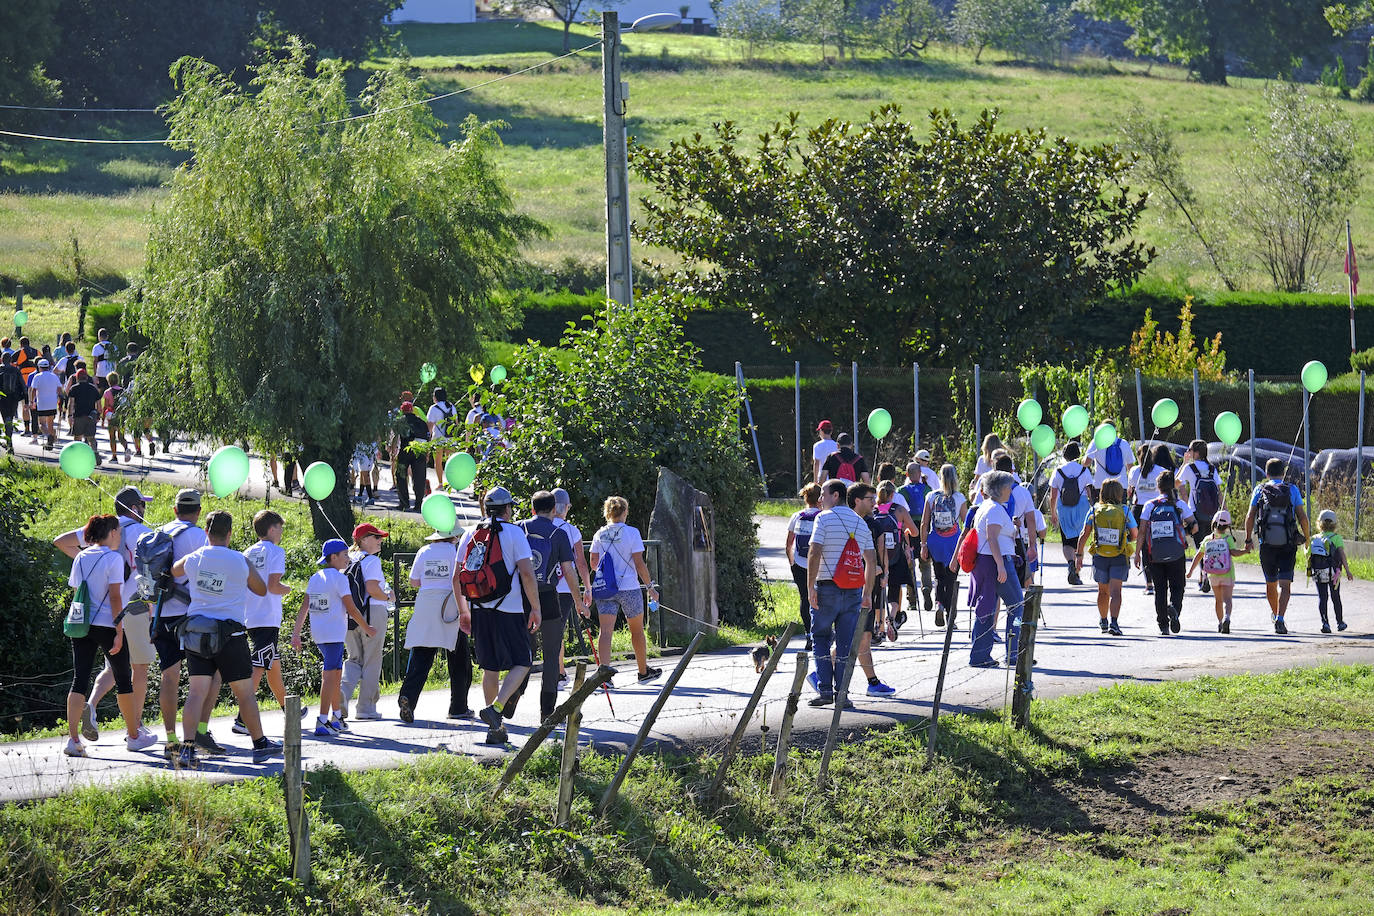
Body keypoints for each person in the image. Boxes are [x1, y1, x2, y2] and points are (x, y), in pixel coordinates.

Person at [170, 510, 281, 768]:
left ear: (206, 533)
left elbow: (175, 571)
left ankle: (187, 748)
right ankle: (260, 744)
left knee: (196, 692)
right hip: (230, 634)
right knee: (244, 693)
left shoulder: (195, 557)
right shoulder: (239, 560)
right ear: (230, 534)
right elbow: (261, 589)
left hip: (197, 634)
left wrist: (195, 556)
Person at [54, 487, 158, 747]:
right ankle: (134, 734)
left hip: (82, 623)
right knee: (126, 677)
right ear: (112, 533)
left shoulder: (82, 558)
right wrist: (119, 629)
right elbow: (115, 596)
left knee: (80, 678)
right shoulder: (114, 557)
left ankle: (73, 739)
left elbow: (79, 586)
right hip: (111, 621)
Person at [455, 486, 543, 745]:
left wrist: (464, 610)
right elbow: (527, 573)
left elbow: (456, 576)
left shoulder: (471, 533)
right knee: (523, 661)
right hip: (509, 608)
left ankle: (495, 729)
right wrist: (536, 607)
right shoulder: (515, 533)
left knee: (490, 667)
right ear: (507, 509)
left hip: (479, 609)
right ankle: (496, 709)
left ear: (485, 509)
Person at [291, 539, 374, 737]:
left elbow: (304, 607)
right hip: (334, 634)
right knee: (329, 676)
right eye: (345, 555)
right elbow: (352, 608)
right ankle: (321, 720)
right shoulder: (340, 579)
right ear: (333, 557)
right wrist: (367, 628)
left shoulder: (315, 577)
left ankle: (336, 717)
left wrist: (296, 633)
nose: (348, 558)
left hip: (320, 634)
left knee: (336, 674)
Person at [151, 489, 211, 758]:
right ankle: (197, 733)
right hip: (191, 615)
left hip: (161, 614)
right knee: (203, 678)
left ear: (175, 510)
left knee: (169, 677)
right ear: (198, 511)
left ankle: (171, 739)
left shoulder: (160, 532)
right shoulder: (200, 536)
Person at [513, 490, 582, 724]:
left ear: (532, 508)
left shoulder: (518, 528)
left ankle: (515, 693)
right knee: (552, 654)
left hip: (520, 597)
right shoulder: (559, 533)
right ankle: (547, 711)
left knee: (524, 650)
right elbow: (569, 571)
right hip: (548, 596)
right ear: (555, 510)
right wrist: (579, 600)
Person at [805, 479, 876, 707]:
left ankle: (825, 690)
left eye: (823, 494)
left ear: (835, 495)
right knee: (845, 643)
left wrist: (810, 587)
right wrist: (868, 592)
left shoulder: (822, 518)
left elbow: (814, 551)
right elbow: (871, 561)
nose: (819, 499)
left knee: (821, 637)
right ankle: (842, 694)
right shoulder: (860, 522)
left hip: (827, 588)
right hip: (853, 591)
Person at [398, 528, 472, 723]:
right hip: (450, 605)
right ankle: (458, 706)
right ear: (454, 536)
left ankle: (408, 698)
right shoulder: (456, 552)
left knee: (421, 656)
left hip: (426, 604)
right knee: (459, 659)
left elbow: (414, 581)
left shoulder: (424, 551)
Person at [589, 495, 662, 686]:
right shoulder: (632, 533)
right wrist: (650, 587)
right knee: (636, 631)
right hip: (629, 586)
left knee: (605, 632)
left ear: (607, 513)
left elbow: (593, 563)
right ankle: (643, 671)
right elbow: (639, 563)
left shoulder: (599, 534)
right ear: (625, 512)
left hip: (606, 588)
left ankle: (604, 678)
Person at [236, 510, 296, 736]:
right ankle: (242, 719)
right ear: (272, 529)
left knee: (273, 665)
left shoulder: (247, 552)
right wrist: (290, 589)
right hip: (268, 617)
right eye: (280, 528)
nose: (281, 532)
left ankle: (288, 708)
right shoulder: (276, 552)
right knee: (259, 666)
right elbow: (273, 586)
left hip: (250, 616)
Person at [967, 471, 1028, 668]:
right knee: (1017, 606)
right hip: (998, 562)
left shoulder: (987, 507)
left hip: (988, 562)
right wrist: (1001, 565)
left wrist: (1014, 527)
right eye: (1009, 487)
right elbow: (992, 538)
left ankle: (980, 655)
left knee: (987, 608)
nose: (1011, 491)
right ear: (1001, 489)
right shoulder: (994, 509)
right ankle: (1013, 652)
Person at [1244, 458, 1310, 635]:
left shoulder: (1260, 489)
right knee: (1286, 585)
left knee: (1270, 583)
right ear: (1283, 473)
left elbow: (1250, 516)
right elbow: (1302, 516)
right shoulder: (1292, 489)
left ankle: (1275, 614)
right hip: (1288, 544)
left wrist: (1248, 539)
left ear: (1266, 473)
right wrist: (1308, 538)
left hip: (1267, 545)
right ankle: (1280, 618)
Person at [341, 523, 394, 721]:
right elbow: (372, 588)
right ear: (363, 540)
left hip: (349, 614)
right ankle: (366, 707)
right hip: (372, 613)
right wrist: (389, 597)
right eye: (376, 537)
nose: (380, 541)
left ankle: (341, 695)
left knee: (354, 659)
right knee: (372, 659)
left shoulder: (346, 559)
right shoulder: (371, 560)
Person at [1138, 470, 1196, 636]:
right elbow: (1195, 526)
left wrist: (1137, 554)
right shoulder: (1179, 505)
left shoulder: (1150, 505)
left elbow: (1142, 531)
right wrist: (1180, 532)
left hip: (1154, 554)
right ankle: (1174, 608)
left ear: (1158, 486)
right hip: (1176, 553)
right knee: (1178, 586)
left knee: (1160, 589)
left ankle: (1163, 624)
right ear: (1173, 486)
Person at [1075, 480, 1136, 636]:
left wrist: (1079, 555)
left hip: (1100, 556)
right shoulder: (1125, 510)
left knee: (1103, 591)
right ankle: (1114, 623)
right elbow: (1134, 534)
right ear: (1118, 493)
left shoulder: (1094, 509)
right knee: (1116, 592)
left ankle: (1103, 620)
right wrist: (1123, 540)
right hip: (1119, 555)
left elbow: (1084, 534)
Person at [551, 488, 593, 680]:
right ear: (566, 507)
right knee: (558, 628)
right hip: (566, 587)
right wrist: (587, 587)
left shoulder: (543, 525)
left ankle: (556, 668)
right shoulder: (571, 530)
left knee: (549, 628)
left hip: (543, 586)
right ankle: (558, 671)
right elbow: (580, 562)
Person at [1186, 511, 1247, 633]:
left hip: (1212, 575)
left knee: (1218, 600)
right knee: (1227, 599)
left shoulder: (1208, 539)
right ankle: (1227, 617)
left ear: (1213, 523)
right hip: (1227, 573)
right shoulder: (1228, 539)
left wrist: (1190, 571)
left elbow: (1198, 555)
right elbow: (1234, 553)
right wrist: (1245, 551)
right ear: (1228, 526)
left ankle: (1219, 623)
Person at [922, 463, 966, 629]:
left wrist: (924, 544)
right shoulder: (960, 498)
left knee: (939, 577)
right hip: (954, 542)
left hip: (936, 541)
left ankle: (940, 604)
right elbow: (965, 523)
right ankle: (950, 616)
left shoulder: (931, 496)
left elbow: (925, 523)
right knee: (952, 579)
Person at [873, 480, 917, 643]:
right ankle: (892, 617)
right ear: (893, 495)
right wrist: (903, 530)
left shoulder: (873, 510)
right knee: (894, 590)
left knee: (877, 592)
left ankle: (879, 627)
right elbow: (914, 531)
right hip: (896, 556)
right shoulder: (899, 510)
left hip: (877, 556)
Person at [1178, 439, 1223, 594]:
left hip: (1195, 512)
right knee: (1209, 545)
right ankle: (1204, 576)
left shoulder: (1190, 468)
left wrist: (1184, 463)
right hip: (1212, 513)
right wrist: (1223, 511)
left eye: (1190, 449)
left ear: (1196, 452)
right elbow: (1219, 491)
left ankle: (1204, 576)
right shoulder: (1212, 469)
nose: (1188, 452)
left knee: (1200, 546)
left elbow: (1176, 483)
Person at [785, 484, 824, 650]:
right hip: (820, 565)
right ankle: (821, 634)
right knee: (821, 599)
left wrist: (792, 563)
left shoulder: (796, 516)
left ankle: (808, 635)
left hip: (800, 563)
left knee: (804, 598)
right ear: (820, 498)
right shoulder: (823, 516)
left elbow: (788, 544)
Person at [1049, 441, 1092, 585]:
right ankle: (1077, 574)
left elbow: (1053, 495)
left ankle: (1070, 564)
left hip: (1064, 507)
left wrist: (1053, 513)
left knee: (1067, 541)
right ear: (1078, 455)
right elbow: (1089, 491)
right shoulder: (1084, 470)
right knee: (1079, 541)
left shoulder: (1058, 471)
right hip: (1082, 507)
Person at [899, 458, 936, 613]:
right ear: (920, 474)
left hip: (909, 530)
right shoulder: (928, 490)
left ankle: (912, 599)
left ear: (907, 474)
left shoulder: (902, 491)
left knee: (909, 566)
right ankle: (926, 589)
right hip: (924, 529)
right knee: (925, 564)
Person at [1307, 509, 1352, 634]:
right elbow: (1342, 555)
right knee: (1335, 596)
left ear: (1319, 523)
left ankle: (1325, 623)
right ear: (1335, 524)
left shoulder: (1314, 538)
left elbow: (1308, 556)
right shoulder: (1337, 538)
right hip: (1334, 572)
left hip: (1318, 571)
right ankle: (1340, 622)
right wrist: (1348, 570)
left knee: (1322, 597)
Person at [1126, 442, 1162, 594]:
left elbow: (1129, 491)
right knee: (1155, 544)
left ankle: (1149, 584)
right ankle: (1159, 578)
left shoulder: (1134, 471)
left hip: (1139, 509)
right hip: (1156, 509)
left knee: (1142, 545)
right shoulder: (1160, 471)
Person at [394, 400, 430, 511]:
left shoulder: (401, 421)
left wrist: (393, 451)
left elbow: (396, 437)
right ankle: (419, 504)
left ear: (402, 411)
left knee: (400, 475)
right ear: (412, 410)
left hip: (406, 449)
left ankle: (404, 503)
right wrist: (427, 453)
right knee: (419, 477)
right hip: (420, 449)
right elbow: (428, 438)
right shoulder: (422, 422)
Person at [1085, 421, 1133, 503]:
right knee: (1120, 513)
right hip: (1121, 486)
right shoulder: (1124, 443)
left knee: (1101, 513)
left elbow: (1086, 463)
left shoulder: (1096, 442)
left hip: (1101, 486)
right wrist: (1131, 486)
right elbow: (1130, 468)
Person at [426, 387, 460, 491]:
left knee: (438, 461)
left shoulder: (433, 408)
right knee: (450, 462)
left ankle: (440, 483)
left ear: (435, 397)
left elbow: (430, 426)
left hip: (438, 438)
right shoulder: (452, 407)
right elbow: (457, 423)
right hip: (451, 438)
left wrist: (428, 440)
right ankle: (451, 483)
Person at [67, 369, 103, 465]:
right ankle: (94, 451)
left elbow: (71, 403)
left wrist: (70, 415)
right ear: (86, 378)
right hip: (91, 416)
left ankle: (77, 457)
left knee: (77, 437)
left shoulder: (74, 388)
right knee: (91, 438)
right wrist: (98, 415)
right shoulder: (93, 388)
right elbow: (99, 404)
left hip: (79, 416)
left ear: (77, 378)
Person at [27, 357, 60, 449]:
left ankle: (49, 437)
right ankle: (51, 443)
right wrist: (58, 398)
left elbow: (33, 390)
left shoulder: (37, 376)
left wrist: (31, 401)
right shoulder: (54, 376)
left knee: (42, 424)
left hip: (42, 403)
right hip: (52, 403)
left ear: (39, 367)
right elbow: (59, 389)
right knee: (50, 424)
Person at [101, 371, 127, 463]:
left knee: (112, 437)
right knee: (121, 437)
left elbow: (105, 406)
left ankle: (114, 456)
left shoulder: (107, 392)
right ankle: (126, 448)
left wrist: (103, 420)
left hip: (111, 416)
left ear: (108, 381)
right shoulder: (123, 391)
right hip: (121, 416)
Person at [0, 351, 24, 452]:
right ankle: (10, 444)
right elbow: (23, 385)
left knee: (5, 420)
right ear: (10, 360)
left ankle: (6, 441)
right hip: (13, 399)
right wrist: (26, 400)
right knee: (9, 419)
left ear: (1, 359)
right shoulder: (16, 370)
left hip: (2, 398)